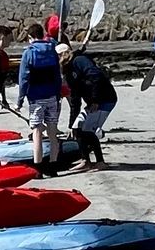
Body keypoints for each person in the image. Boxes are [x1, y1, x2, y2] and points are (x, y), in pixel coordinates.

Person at [14, 20, 65, 172]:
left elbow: (23, 79)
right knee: (52, 130)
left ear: (30, 37)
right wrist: (58, 94)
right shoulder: (52, 50)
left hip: (36, 98)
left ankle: (39, 167)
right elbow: (57, 75)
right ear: (42, 35)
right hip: (52, 96)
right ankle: (53, 166)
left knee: (37, 131)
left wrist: (19, 101)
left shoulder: (29, 52)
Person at [62, 38, 118, 166]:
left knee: (88, 131)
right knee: (76, 128)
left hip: (105, 99)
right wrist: (71, 124)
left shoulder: (80, 60)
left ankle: (100, 162)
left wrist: (95, 101)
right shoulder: (68, 71)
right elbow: (75, 99)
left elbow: (96, 77)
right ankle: (85, 160)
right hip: (92, 102)